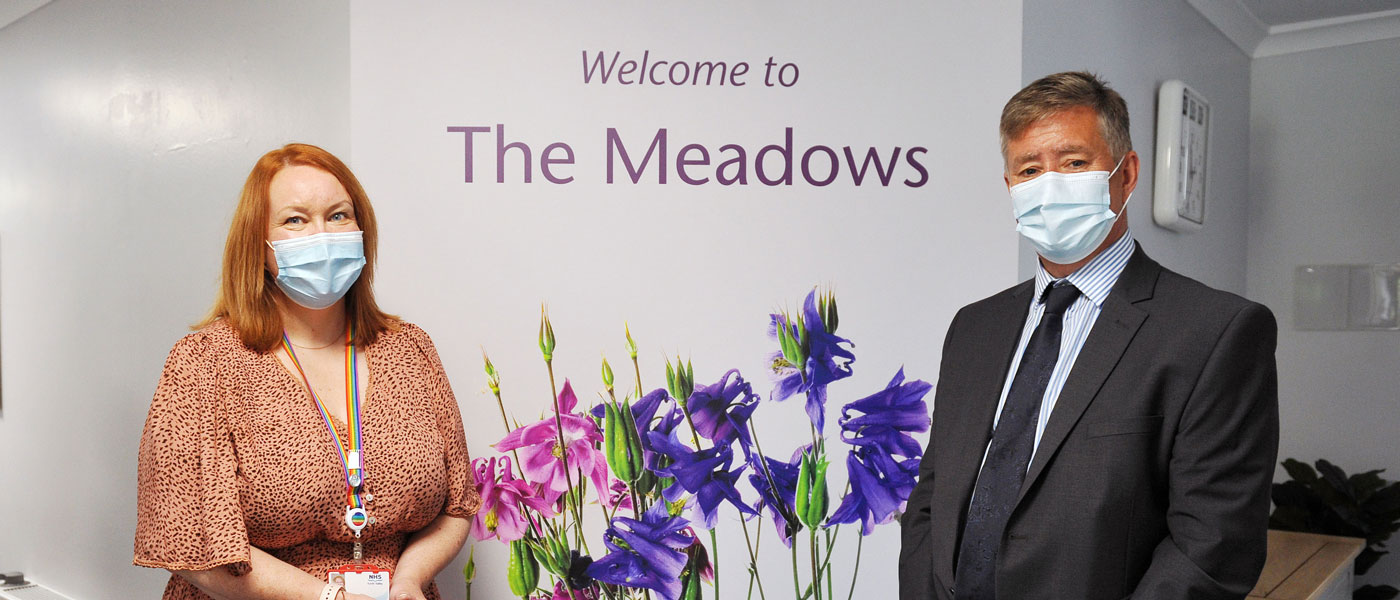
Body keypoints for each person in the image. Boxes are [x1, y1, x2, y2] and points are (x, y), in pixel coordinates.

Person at [898, 72, 1279, 599]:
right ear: (1010, 189)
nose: (1049, 185)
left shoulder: (1215, 332)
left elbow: (1213, 547)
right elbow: (933, 496)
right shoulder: (973, 328)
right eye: (1029, 169)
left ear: (1127, 174)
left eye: (1074, 163)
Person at [135, 143, 480, 600]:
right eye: (295, 220)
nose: (322, 234)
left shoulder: (410, 349)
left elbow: (457, 504)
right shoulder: (204, 363)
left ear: (362, 230)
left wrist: (409, 580)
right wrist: (329, 597)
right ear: (259, 247)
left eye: (338, 216)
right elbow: (189, 539)